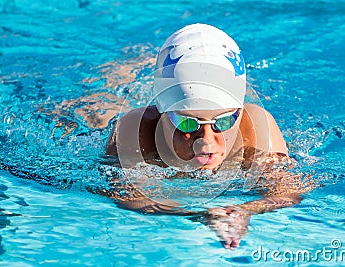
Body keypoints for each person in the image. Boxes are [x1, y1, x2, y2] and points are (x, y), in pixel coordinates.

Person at [104, 23, 313, 249]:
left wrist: (244, 211)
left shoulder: (256, 129)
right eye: (187, 123)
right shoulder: (136, 131)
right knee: (97, 111)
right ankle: (128, 64)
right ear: (161, 112)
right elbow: (130, 197)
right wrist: (198, 214)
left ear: (239, 112)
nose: (206, 141)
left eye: (223, 121)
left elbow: (288, 192)